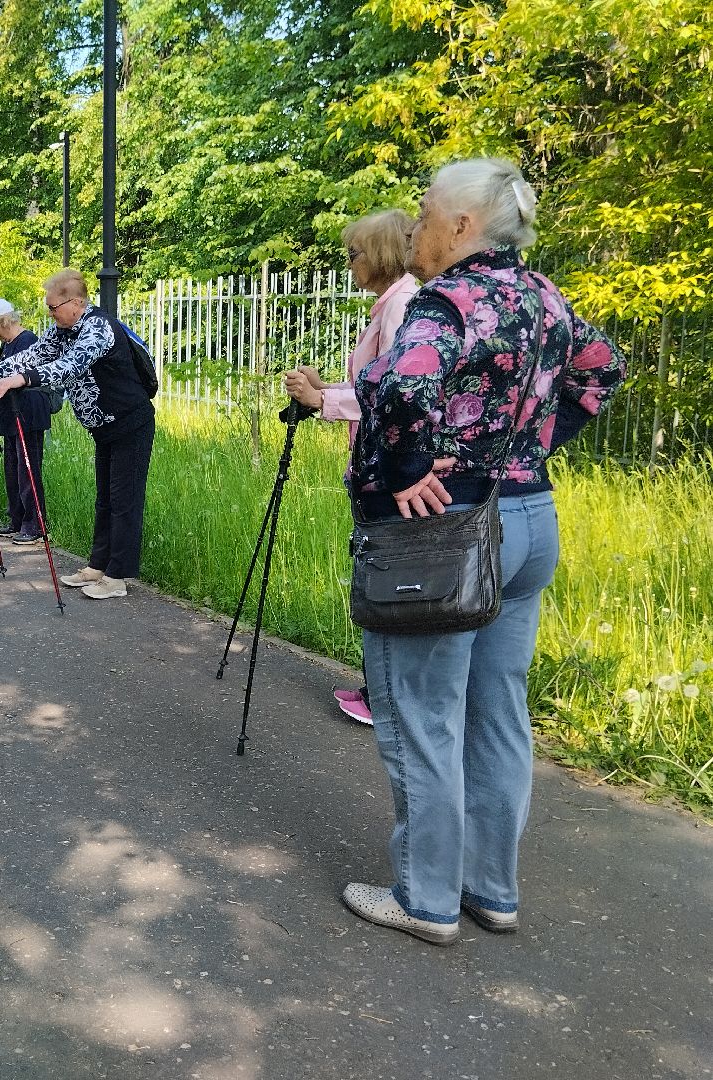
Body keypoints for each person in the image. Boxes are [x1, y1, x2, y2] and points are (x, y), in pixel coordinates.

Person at [340, 158, 626, 946]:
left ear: (462, 226)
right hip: (529, 517)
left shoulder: (447, 301)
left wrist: (406, 471)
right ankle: (491, 891)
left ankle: (426, 900)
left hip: (446, 533)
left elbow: (400, 389)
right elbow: (604, 373)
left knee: (424, 715)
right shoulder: (545, 296)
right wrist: (528, 449)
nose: (417, 227)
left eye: (426, 214)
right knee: (498, 712)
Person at [283, 210, 419, 725]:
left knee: (385, 575)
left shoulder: (402, 303)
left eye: (355, 253)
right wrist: (324, 392)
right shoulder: (391, 303)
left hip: (390, 467)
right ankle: (379, 685)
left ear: (381, 253)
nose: (349, 263)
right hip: (376, 461)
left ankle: (384, 695)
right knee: (376, 569)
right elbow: (374, 385)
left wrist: (323, 402)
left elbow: (395, 393)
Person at [0, 269, 154, 600]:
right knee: (105, 498)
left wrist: (23, 380)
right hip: (104, 426)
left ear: (74, 302)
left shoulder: (97, 328)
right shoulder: (63, 330)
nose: (50, 313)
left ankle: (117, 577)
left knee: (124, 500)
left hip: (130, 422)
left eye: (53, 307)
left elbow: (69, 367)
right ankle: (98, 566)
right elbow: (30, 356)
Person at [0, 298, 50, 544]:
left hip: (28, 413)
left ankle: (34, 525)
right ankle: (17, 519)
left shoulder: (28, 342)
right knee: (13, 470)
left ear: (5, 321)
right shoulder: (9, 344)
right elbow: (5, 375)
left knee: (27, 470)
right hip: (12, 414)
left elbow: (19, 376)